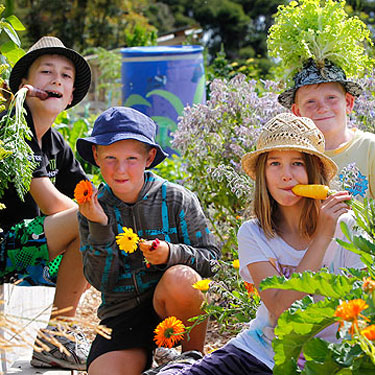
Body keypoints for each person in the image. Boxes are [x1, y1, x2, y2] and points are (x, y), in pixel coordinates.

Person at [144, 112, 364, 375]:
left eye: (297, 163)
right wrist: (322, 238)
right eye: (275, 164)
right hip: (257, 353)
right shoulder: (253, 233)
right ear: (262, 173)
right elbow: (282, 309)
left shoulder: (348, 228)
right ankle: (183, 364)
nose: (286, 176)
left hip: (325, 362)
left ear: (314, 170)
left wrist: (328, 231)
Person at [75, 106, 220, 375]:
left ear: (149, 157)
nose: (120, 169)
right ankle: (149, 358)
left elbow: (212, 262)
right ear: (96, 155)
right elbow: (101, 281)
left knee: (182, 278)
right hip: (123, 316)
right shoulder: (93, 208)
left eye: (131, 158)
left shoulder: (177, 199)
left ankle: (192, 359)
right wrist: (99, 225)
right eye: (110, 157)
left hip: (172, 309)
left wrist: (171, 254)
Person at [0, 36, 92, 370]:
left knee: (101, 230)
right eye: (46, 72)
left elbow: (87, 194)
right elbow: (54, 204)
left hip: (29, 253)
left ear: (69, 97)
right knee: (91, 223)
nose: (56, 80)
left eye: (66, 76)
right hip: (5, 246)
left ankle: (65, 336)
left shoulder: (56, 144)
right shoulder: (11, 127)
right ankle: (58, 337)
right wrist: (100, 220)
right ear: (24, 86)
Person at [277, 59, 375, 199]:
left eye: (331, 97)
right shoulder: (294, 156)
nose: (322, 108)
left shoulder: (370, 148)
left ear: (348, 102)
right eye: (310, 101)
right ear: (297, 112)